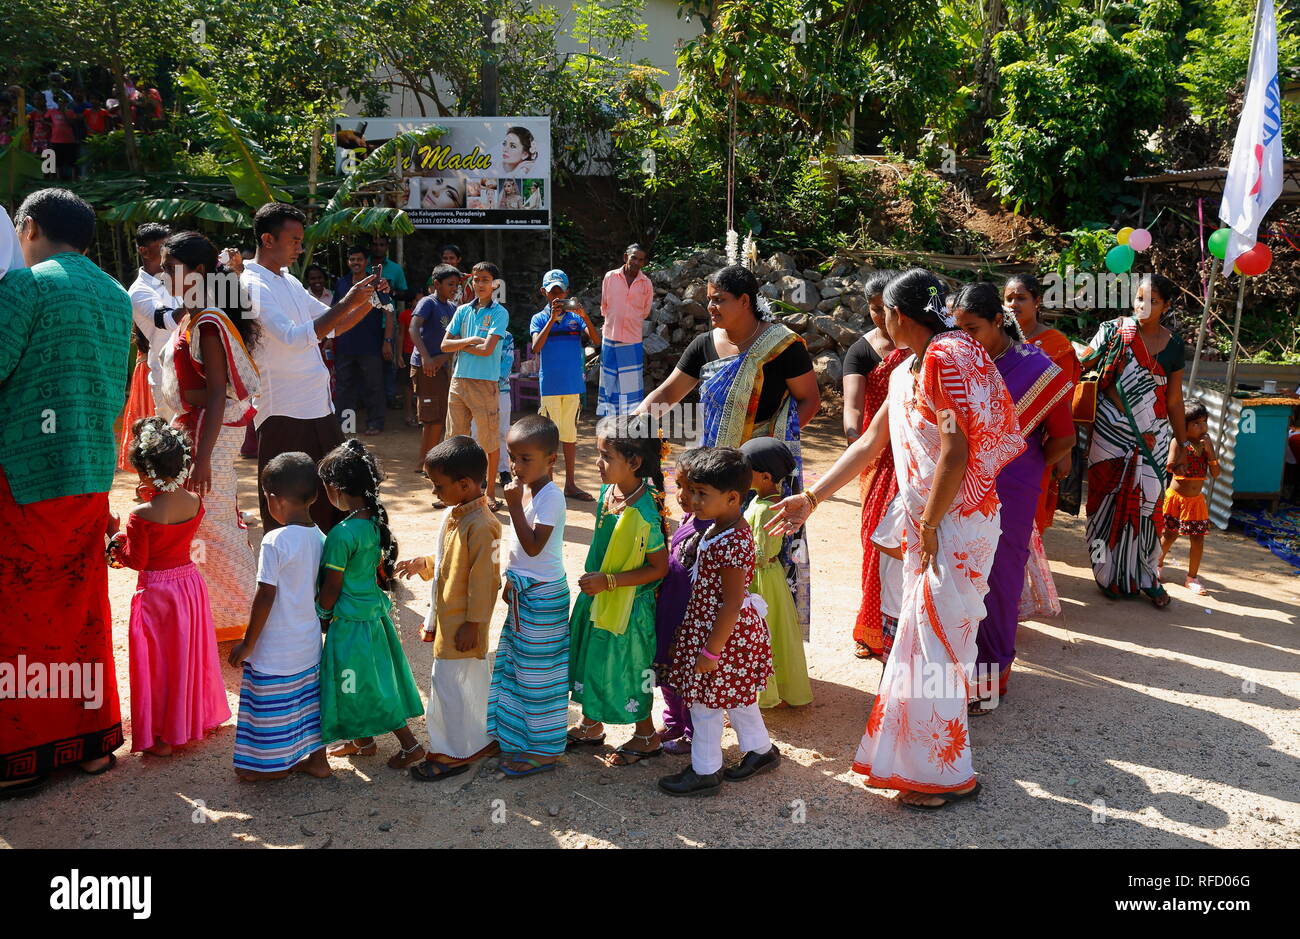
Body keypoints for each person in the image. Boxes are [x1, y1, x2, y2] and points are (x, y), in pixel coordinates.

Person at [767, 269, 1025, 809]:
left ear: (899, 316)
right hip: (938, 525)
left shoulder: (945, 359)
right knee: (920, 645)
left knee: (937, 649)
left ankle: (946, 774)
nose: (877, 320)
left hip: (952, 528)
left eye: (882, 311)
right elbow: (869, 444)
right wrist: (811, 498)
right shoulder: (914, 363)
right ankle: (918, 765)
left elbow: (956, 451)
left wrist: (928, 526)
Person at [0, 189, 131, 793]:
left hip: (24, 476)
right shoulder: (115, 295)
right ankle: (91, 744)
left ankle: (22, 753)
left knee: (19, 613)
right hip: (88, 474)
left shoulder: (25, 287)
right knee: (81, 608)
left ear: (28, 227)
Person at [640, 264, 819, 640]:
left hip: (760, 473)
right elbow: (668, 394)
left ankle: (760, 647)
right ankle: (712, 640)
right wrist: (633, 424)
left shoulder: (781, 346)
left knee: (760, 557)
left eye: (720, 300)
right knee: (709, 551)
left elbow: (809, 400)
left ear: (745, 300)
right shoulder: (704, 344)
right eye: (709, 300)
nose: (711, 308)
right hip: (713, 471)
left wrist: (770, 448)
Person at [952, 283, 1074, 709]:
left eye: (973, 328)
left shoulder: (1038, 370)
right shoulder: (959, 363)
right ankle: (953, 672)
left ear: (998, 322)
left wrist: (1023, 464)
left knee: (999, 578)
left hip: (1014, 488)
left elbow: (1063, 438)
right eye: (958, 328)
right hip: (958, 483)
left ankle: (990, 678)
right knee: (958, 572)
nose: (965, 338)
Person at [240, 202, 382, 533]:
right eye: (294, 240)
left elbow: (333, 325)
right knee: (289, 495)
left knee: (332, 490)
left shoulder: (287, 280)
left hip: (317, 405)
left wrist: (369, 300)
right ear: (268, 240)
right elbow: (292, 337)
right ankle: (290, 563)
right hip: (283, 408)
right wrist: (351, 300)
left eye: (301, 240)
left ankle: (330, 564)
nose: (300, 248)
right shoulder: (251, 284)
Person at [156, 231, 261, 643]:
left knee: (216, 526)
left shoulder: (209, 321)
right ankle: (216, 617)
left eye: (169, 268)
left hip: (208, 439)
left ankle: (245, 617)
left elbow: (219, 394)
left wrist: (201, 460)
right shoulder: (194, 316)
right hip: (199, 431)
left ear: (198, 271)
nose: (163, 274)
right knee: (203, 527)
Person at [107, 419, 231, 756]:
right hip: (188, 585)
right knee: (186, 655)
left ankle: (162, 736)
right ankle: (190, 720)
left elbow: (136, 561)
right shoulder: (194, 501)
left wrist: (114, 537)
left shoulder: (140, 514)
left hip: (157, 593)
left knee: (159, 661)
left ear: (145, 473)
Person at [659, 447, 777, 797]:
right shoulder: (720, 527)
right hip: (718, 633)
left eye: (702, 494)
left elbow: (731, 602)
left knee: (704, 703)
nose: (693, 500)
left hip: (722, 637)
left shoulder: (732, 541)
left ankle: (705, 771)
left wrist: (710, 652)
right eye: (692, 491)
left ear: (732, 497)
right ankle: (761, 751)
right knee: (737, 697)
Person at [396, 436, 502, 779]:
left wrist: (474, 623)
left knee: (450, 688)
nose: (434, 493)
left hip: (463, 626)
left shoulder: (483, 525)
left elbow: (484, 580)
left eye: (438, 485)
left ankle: (455, 753)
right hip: (452, 622)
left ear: (465, 484)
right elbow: (449, 561)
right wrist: (424, 563)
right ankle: (476, 742)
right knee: (461, 687)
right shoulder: (458, 514)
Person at [566, 415, 670, 766]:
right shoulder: (610, 492)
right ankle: (591, 725)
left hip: (628, 605)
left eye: (606, 456)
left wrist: (608, 582)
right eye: (599, 454)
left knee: (628, 667)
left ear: (635, 462)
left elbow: (659, 567)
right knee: (595, 659)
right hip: (599, 595)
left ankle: (645, 736)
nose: (598, 463)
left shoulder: (645, 509)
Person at [1078, 273, 1187, 608]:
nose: (1144, 305)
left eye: (1153, 300)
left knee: (1151, 506)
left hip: (1153, 436)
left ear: (1165, 306)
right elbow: (1082, 367)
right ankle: (1107, 574)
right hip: (1111, 431)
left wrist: (1181, 444)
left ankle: (1148, 576)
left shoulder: (1173, 345)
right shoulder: (1113, 332)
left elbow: (1173, 400)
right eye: (1139, 298)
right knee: (1103, 500)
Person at [315, 440, 426, 767]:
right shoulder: (375, 525)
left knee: (362, 684)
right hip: (374, 620)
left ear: (335, 489)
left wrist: (321, 613)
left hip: (349, 624)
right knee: (367, 679)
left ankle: (410, 745)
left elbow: (332, 585)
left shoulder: (341, 534)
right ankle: (363, 741)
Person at [228, 452, 330, 781]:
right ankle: (317, 759)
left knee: (269, 704)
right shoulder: (321, 538)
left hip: (276, 645)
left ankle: (267, 766)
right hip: (308, 641)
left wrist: (247, 643)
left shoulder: (275, 541)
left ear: (275, 500)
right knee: (307, 702)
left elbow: (266, 595)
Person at [490, 416, 571, 777]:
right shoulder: (522, 490)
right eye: (512, 457)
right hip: (525, 592)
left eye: (526, 459)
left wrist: (514, 507)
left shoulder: (550, 497)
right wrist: (511, 581)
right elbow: (519, 555)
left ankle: (545, 749)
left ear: (551, 459)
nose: (516, 466)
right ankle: (518, 738)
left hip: (544, 598)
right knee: (519, 670)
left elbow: (534, 547)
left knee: (541, 678)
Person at [1003, 273, 1081, 618]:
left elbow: (1065, 398)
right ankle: (1011, 589)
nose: (1013, 305)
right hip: (997, 445)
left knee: (1031, 514)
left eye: (1020, 298)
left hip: (1038, 444)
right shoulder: (999, 340)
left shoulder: (1056, 345)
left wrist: (1060, 453)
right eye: (1008, 299)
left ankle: (1019, 589)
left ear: (1037, 301)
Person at [841, 270, 908, 659]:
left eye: (887, 309)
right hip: (878, 458)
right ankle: (872, 629)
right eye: (874, 309)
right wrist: (856, 441)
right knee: (876, 542)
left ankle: (905, 627)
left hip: (917, 455)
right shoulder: (862, 351)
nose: (880, 317)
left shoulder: (922, 350)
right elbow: (853, 406)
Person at [741, 438, 811, 709]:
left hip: (760, 579)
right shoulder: (768, 501)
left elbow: (758, 553)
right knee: (776, 634)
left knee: (760, 634)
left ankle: (763, 694)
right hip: (772, 578)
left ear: (766, 476)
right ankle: (778, 689)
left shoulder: (763, 508)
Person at [441, 261, 509, 508]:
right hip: (458, 381)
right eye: (476, 279)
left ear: (495, 284)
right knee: (455, 439)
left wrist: (460, 344)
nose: (480, 283)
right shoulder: (462, 311)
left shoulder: (500, 313)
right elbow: (444, 345)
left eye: (485, 279)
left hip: (484, 383)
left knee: (489, 441)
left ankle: (489, 493)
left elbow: (487, 349)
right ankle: (453, 492)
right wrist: (470, 340)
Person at [654, 448, 707, 755]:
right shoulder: (690, 517)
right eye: (681, 486)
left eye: (696, 491)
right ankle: (673, 721)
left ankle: (692, 731)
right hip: (670, 610)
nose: (685, 496)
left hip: (689, 616)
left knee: (685, 675)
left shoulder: (712, 530)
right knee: (667, 669)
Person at [530, 270, 600, 500]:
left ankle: (570, 484)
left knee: (569, 437)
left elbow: (597, 341)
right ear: (544, 293)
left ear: (567, 292)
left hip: (572, 386)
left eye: (560, 292)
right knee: (549, 440)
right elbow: (535, 347)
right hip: (550, 386)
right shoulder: (539, 318)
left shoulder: (576, 318)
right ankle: (549, 487)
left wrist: (584, 315)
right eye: (552, 293)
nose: (556, 297)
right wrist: (551, 319)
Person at [1158, 400, 1219, 595]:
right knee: (1169, 536)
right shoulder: (1178, 441)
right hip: (1176, 499)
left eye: (1204, 422)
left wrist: (1210, 453)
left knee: (1198, 540)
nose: (1202, 427)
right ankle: (1156, 566)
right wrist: (1180, 463)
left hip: (1196, 502)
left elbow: (1216, 473)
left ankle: (1192, 577)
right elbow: (1170, 465)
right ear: (1183, 427)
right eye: (1196, 423)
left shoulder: (1206, 445)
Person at [127, 222, 183, 422]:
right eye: (163, 247)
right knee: (176, 443)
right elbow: (168, 321)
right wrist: (196, 296)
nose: (170, 252)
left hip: (191, 372)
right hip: (166, 376)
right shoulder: (138, 291)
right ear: (144, 251)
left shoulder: (177, 278)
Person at [333, 245, 389, 436]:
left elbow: (389, 312)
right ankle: (346, 425)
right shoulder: (342, 283)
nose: (355, 263)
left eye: (359, 259)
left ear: (366, 262)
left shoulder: (377, 283)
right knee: (344, 387)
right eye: (352, 259)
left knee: (373, 385)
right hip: (344, 343)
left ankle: (375, 423)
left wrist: (388, 340)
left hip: (371, 344)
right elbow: (334, 312)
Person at [410, 265, 459, 472]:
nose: (454, 288)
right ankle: (424, 463)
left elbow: (456, 339)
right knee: (431, 417)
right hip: (426, 367)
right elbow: (413, 329)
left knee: (439, 416)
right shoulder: (427, 302)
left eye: (457, 285)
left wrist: (442, 358)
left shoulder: (452, 308)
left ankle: (429, 461)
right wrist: (427, 358)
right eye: (450, 284)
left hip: (442, 366)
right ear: (436, 284)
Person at [597, 244, 654, 416]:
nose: (636, 262)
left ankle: (628, 422)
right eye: (633, 257)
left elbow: (644, 312)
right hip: (610, 338)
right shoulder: (610, 277)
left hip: (632, 340)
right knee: (609, 381)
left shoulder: (646, 284)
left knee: (630, 384)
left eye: (640, 259)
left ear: (644, 263)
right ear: (625, 257)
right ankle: (608, 422)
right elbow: (604, 306)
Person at [369, 236, 408, 409]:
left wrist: (389, 291)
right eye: (375, 244)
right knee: (369, 363)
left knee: (389, 362)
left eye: (381, 245)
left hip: (388, 321)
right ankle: (371, 400)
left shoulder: (395, 269)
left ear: (387, 247)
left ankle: (390, 397)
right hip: (367, 323)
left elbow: (404, 293)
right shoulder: (363, 265)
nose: (378, 247)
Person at [870, 495, 905, 661]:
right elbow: (882, 540)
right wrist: (926, 558)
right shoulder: (907, 501)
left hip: (910, 602)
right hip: (898, 604)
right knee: (895, 667)